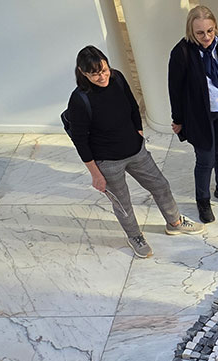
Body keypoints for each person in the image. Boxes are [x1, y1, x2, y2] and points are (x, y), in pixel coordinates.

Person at [67, 46, 203, 258]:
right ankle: (135, 236)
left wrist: (138, 133)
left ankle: (174, 222)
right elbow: (80, 141)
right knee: (123, 203)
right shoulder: (79, 100)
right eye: (95, 74)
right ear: (83, 73)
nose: (102, 76)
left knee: (160, 185)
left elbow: (132, 106)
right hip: (107, 162)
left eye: (104, 70)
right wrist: (95, 174)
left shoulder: (117, 78)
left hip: (135, 150)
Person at [168, 5, 218, 224]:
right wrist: (178, 120)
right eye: (200, 33)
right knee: (205, 159)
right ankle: (202, 200)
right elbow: (174, 89)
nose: (206, 37)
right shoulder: (181, 52)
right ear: (190, 32)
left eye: (210, 31)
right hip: (199, 115)